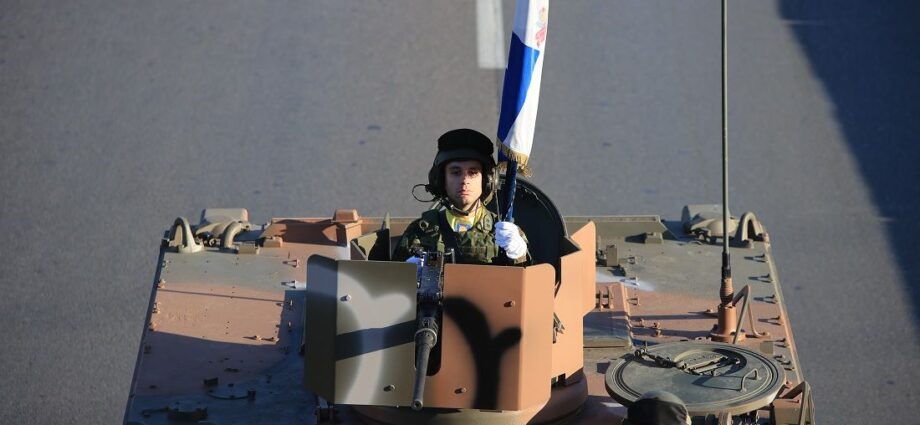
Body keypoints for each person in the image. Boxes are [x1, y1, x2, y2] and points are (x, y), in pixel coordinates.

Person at [392, 128, 528, 265]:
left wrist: (519, 256)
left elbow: (532, 277)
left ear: (488, 181)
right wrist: (409, 271)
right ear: (441, 180)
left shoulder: (504, 234)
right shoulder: (420, 232)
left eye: (473, 173)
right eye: (456, 172)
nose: (464, 180)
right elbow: (392, 276)